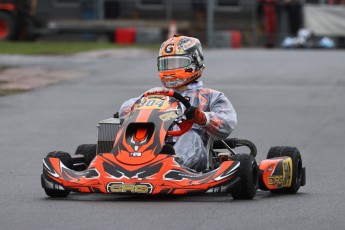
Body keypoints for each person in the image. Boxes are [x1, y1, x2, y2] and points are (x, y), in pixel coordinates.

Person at [119, 35, 237, 172]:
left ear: (195, 62)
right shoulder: (155, 93)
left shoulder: (212, 96)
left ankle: (172, 166)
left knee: (191, 135)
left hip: (196, 154)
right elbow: (124, 111)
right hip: (154, 147)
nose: (170, 70)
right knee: (136, 131)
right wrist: (138, 110)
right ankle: (130, 162)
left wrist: (202, 118)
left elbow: (227, 124)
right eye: (166, 64)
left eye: (176, 64)